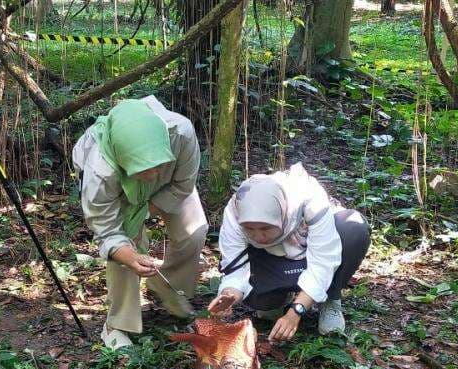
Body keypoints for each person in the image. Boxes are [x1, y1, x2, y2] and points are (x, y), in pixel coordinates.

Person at [72, 96, 208, 349]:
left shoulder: (181, 134)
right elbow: (106, 229)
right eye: (144, 169)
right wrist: (128, 254)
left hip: (169, 188)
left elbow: (183, 185)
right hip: (120, 191)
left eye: (158, 165)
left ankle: (170, 290)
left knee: (194, 231)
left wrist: (145, 211)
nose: (152, 174)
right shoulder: (100, 173)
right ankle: (117, 324)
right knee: (126, 251)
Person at [208, 163, 370, 342]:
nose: (258, 236)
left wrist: (296, 311)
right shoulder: (236, 211)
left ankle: (330, 297)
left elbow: (323, 262)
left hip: (310, 256)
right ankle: (275, 298)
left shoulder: (309, 200)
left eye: (265, 228)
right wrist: (230, 295)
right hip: (271, 261)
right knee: (264, 305)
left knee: (353, 228)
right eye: (249, 229)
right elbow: (235, 265)